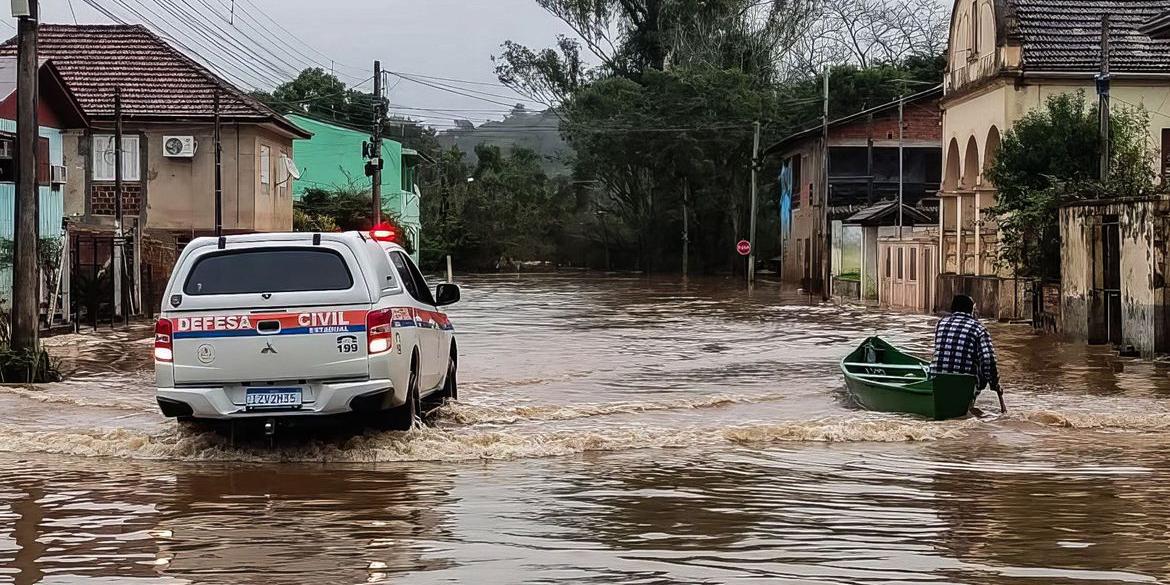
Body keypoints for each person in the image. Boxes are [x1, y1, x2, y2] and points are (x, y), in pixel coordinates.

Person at [931, 294, 1006, 413]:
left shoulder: (940, 324)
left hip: (937, 379)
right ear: (971, 309)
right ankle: (970, 401)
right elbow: (988, 360)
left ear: (953, 309)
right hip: (965, 381)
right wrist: (994, 383)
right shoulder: (979, 328)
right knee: (982, 367)